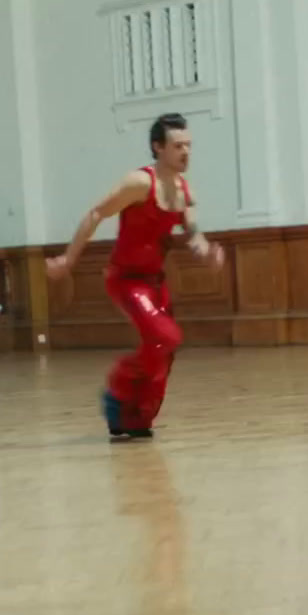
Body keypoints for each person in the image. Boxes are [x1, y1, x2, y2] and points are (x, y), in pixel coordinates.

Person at [46, 113, 224, 441]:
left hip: (156, 281)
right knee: (166, 338)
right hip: (127, 279)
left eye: (188, 146)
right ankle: (118, 389)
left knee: (164, 351)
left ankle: (136, 418)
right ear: (158, 148)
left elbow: (193, 234)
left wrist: (207, 251)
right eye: (177, 146)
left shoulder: (185, 192)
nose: (185, 152)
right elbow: (96, 213)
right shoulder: (139, 183)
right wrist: (68, 259)